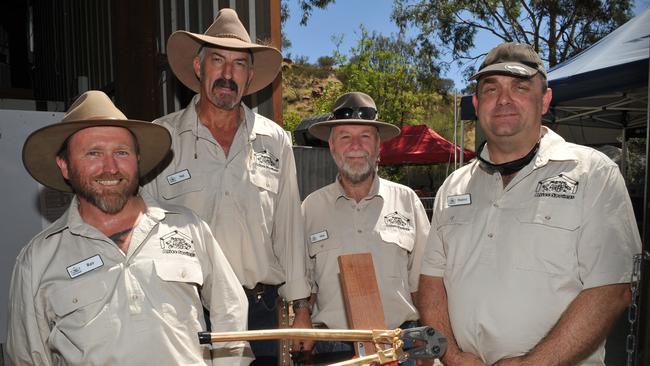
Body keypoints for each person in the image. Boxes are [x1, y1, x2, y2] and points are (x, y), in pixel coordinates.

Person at [418, 42, 642, 365]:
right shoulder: (453, 186)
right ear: (478, 103)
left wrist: (532, 364)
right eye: (491, 89)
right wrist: (452, 356)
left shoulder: (593, 174)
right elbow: (431, 281)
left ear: (545, 100)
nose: (504, 99)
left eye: (520, 87)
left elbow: (613, 288)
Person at [7, 90, 251, 365]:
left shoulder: (188, 227)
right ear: (65, 166)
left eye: (121, 152)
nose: (110, 167)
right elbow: (27, 356)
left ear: (137, 159)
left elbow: (230, 308)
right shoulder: (38, 260)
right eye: (93, 153)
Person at [142, 8, 311, 363]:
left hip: (262, 311)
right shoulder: (161, 139)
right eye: (217, 60)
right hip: (189, 312)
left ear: (249, 76)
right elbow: (144, 234)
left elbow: (289, 229)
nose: (227, 74)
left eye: (238, 64)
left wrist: (301, 308)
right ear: (199, 67)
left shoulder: (274, 140)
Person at [299, 92, 430, 362]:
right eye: (345, 137)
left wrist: (427, 347)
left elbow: (424, 284)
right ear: (333, 147)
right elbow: (304, 286)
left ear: (378, 146)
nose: (355, 146)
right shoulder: (310, 208)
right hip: (333, 350)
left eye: (365, 137)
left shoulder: (407, 201)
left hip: (399, 347)